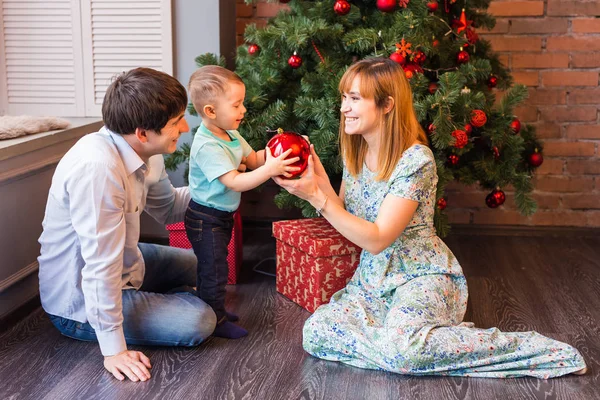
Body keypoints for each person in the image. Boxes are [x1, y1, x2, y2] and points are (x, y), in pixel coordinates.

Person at [274, 57, 587, 378]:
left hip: (422, 277)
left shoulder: (415, 162)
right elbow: (345, 214)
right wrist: (317, 182)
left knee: (405, 350)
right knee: (317, 331)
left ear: (386, 105)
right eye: (344, 98)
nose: (343, 108)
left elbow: (378, 238)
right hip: (372, 281)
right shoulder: (355, 151)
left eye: (354, 99)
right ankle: (398, 347)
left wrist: (317, 198)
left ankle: (526, 349)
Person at [38, 67, 217, 383]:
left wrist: (229, 182)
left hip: (125, 263)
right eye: (176, 122)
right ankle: (170, 304)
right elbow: (99, 267)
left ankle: (168, 299)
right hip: (81, 300)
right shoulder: (98, 169)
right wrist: (114, 351)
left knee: (201, 263)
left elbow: (169, 209)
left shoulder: (148, 151)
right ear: (142, 132)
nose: (185, 128)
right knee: (200, 321)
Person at [186, 65, 299, 339]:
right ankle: (215, 320)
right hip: (205, 218)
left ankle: (210, 309)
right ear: (211, 111)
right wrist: (270, 171)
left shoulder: (230, 133)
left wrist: (278, 150)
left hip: (221, 217)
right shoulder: (208, 145)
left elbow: (252, 160)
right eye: (237, 105)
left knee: (212, 267)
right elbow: (235, 181)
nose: (244, 110)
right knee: (214, 270)